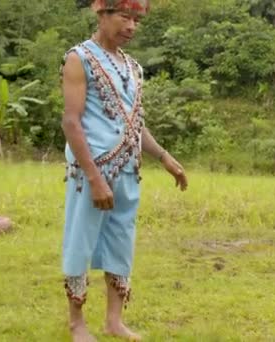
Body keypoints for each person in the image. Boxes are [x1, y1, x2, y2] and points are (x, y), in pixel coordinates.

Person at [60, 1, 187, 341]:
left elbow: (135, 123)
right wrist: (94, 177)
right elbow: (71, 123)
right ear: (101, 14)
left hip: (128, 170)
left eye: (136, 20)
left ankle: (114, 321)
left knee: (120, 244)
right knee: (80, 244)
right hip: (91, 173)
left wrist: (163, 157)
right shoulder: (79, 58)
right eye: (124, 17)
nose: (131, 26)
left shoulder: (132, 67)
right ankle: (77, 325)